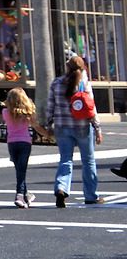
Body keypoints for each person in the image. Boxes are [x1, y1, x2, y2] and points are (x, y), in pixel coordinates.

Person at [45, 54, 104, 206]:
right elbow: (91, 108)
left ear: (67, 67)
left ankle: (61, 188)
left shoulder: (56, 83)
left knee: (65, 159)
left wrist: (48, 123)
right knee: (88, 160)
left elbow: (50, 106)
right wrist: (97, 128)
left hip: (62, 126)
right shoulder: (84, 84)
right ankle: (91, 195)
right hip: (82, 126)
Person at [2, 87, 44, 207]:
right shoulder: (28, 114)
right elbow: (36, 126)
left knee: (19, 170)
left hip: (12, 143)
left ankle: (25, 194)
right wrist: (47, 134)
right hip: (25, 143)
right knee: (22, 170)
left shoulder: (5, 113)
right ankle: (19, 195)